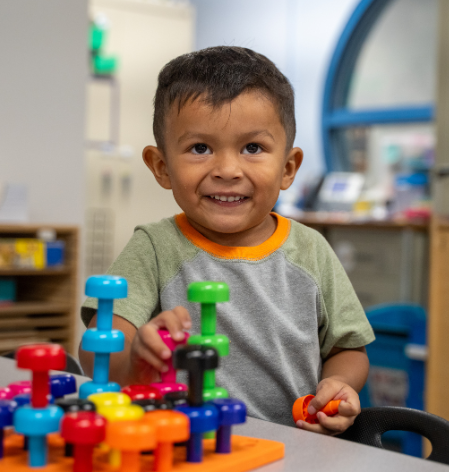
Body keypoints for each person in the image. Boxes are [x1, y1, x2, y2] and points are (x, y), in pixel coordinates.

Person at [79, 46, 375, 435]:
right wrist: (134, 360)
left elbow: (347, 349)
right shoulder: (154, 247)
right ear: (162, 166)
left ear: (288, 168)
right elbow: (97, 349)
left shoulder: (311, 251)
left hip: (293, 450)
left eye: (253, 148)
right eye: (200, 148)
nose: (227, 170)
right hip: (184, 445)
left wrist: (338, 385)